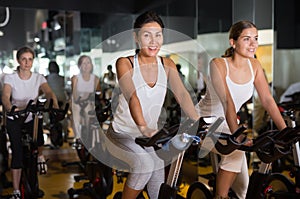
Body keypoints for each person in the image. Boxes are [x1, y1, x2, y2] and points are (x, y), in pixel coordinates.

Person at [105, 11, 199, 199]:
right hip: (122, 134)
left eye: (158, 35)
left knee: (158, 181)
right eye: (147, 35)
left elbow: (182, 94)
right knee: (144, 166)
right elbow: (133, 97)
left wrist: (199, 122)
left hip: (149, 137)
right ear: (136, 37)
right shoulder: (125, 63)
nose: (153, 41)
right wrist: (143, 127)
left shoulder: (167, 64)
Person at [196, 21, 287, 199]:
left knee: (244, 190)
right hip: (203, 123)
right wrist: (237, 135)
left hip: (229, 124)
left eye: (256, 39)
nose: (253, 44)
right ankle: (220, 197)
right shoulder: (218, 64)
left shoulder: (255, 66)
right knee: (236, 152)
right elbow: (226, 100)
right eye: (247, 39)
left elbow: (268, 100)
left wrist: (285, 132)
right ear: (233, 42)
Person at [1, 46, 59, 199]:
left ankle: (39, 155)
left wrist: (54, 104)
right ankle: (16, 191)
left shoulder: (38, 77)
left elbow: (48, 91)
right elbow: (6, 96)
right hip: (15, 117)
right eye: (24, 59)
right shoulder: (10, 78)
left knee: (38, 135)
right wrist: (10, 107)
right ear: (18, 61)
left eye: (30, 59)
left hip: (30, 116)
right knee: (17, 153)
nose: (27, 63)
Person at [71, 55, 101, 148]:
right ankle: (77, 137)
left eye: (88, 63)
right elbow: (75, 95)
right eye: (83, 63)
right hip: (77, 101)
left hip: (89, 101)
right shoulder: (75, 78)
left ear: (91, 65)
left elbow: (99, 93)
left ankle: (91, 138)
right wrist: (80, 100)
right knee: (75, 114)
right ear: (79, 66)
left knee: (90, 114)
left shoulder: (95, 78)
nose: (86, 65)